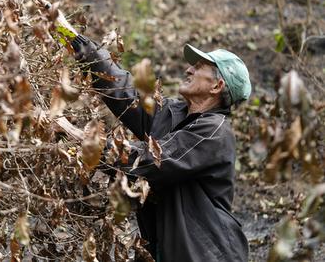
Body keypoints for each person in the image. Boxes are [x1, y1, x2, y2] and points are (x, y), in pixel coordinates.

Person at [71, 35, 250, 262]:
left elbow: (149, 161)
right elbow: (129, 95)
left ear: (217, 86)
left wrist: (83, 140)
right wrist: (89, 53)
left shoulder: (214, 132)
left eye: (198, 68)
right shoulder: (176, 114)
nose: (188, 70)